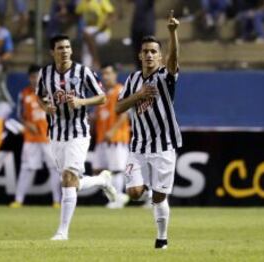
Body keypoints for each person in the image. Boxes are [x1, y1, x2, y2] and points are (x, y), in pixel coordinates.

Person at [36, 34, 117, 241]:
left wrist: (81, 102)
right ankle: (101, 180)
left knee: (68, 178)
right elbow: (40, 96)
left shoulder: (83, 72)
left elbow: (102, 97)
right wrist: (47, 107)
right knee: (70, 181)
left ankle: (62, 232)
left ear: (72, 50)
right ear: (52, 52)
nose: (64, 51)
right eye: (60, 48)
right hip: (56, 133)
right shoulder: (45, 73)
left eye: (67, 47)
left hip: (78, 132)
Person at [116, 11, 182, 249]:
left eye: (154, 51)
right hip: (139, 146)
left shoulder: (166, 76)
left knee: (159, 197)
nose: (149, 55)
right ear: (140, 55)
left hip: (164, 146)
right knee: (134, 192)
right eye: (146, 51)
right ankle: (144, 191)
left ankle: (162, 239)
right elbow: (117, 108)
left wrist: (173, 33)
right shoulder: (132, 80)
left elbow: (174, 60)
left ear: (160, 57)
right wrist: (139, 95)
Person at [9, 65, 61, 208]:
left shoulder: (52, 93)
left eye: (38, 77)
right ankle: (18, 200)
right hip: (31, 138)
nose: (35, 80)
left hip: (49, 137)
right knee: (27, 168)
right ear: (29, 78)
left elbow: (60, 113)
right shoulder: (24, 94)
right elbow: (19, 114)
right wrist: (27, 124)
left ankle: (57, 201)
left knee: (55, 168)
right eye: (32, 77)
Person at [93, 64, 130, 209]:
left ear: (115, 74)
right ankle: (118, 195)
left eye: (108, 73)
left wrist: (113, 131)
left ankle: (117, 198)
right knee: (98, 170)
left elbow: (125, 114)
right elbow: (100, 114)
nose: (105, 76)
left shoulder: (120, 91)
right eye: (103, 74)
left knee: (116, 169)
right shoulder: (102, 94)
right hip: (102, 138)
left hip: (116, 138)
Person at [75, 0, 115, 69]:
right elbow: (77, 14)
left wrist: (107, 22)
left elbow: (112, 14)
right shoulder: (82, 3)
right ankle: (87, 67)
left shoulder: (101, 1)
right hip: (89, 33)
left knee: (87, 33)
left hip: (102, 32)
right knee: (86, 43)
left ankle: (96, 60)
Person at [130, 0, 155, 69]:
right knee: (137, 51)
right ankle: (140, 70)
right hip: (136, 26)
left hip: (147, 27)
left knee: (148, 49)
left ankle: (150, 70)